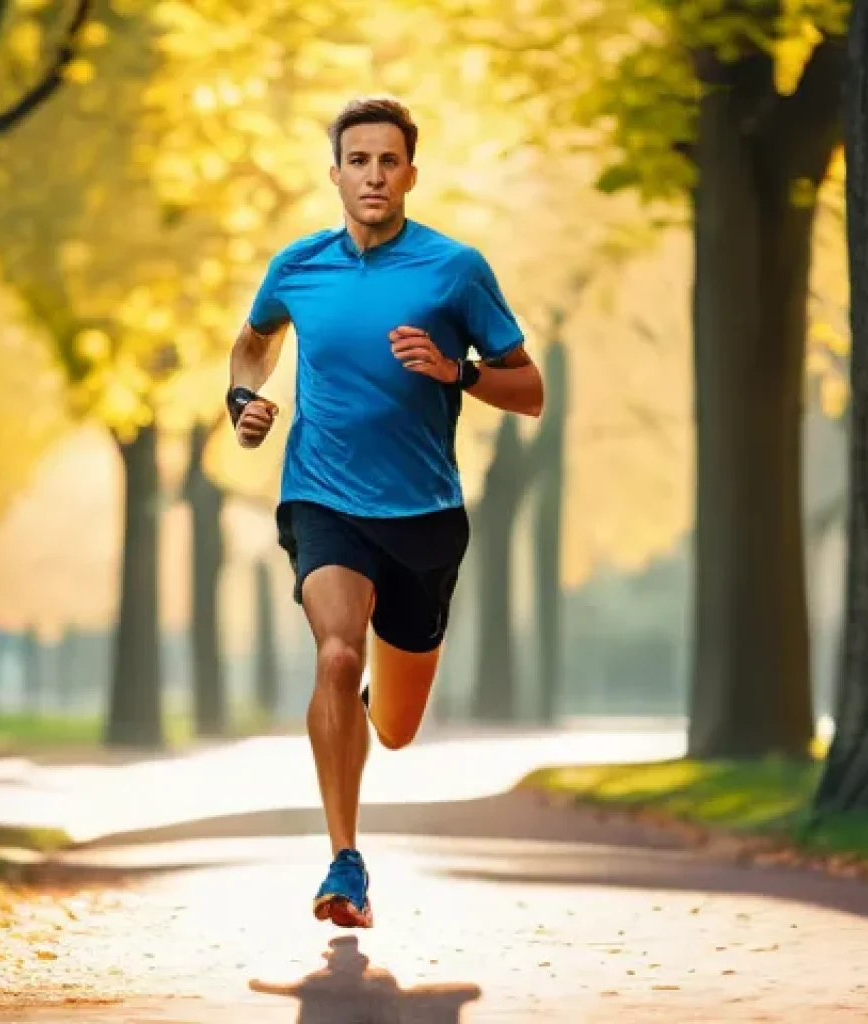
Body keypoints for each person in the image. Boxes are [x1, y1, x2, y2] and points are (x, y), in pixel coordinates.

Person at [226, 96, 544, 929]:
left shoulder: (454, 269)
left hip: (425, 518)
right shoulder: (298, 266)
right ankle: (345, 862)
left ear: (410, 172)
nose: (373, 175)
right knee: (336, 656)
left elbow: (531, 390)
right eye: (357, 160)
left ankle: (369, 723)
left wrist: (456, 372)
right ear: (335, 173)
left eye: (388, 161)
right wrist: (242, 400)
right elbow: (255, 340)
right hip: (322, 498)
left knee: (396, 727)